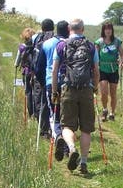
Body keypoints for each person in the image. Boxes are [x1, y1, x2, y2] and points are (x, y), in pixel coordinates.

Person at [51, 18, 99, 176]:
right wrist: (95, 87)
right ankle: (83, 162)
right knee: (86, 129)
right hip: (86, 89)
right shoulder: (91, 46)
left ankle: (71, 148)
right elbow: (96, 70)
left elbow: (55, 70)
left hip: (68, 88)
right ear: (83, 29)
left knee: (67, 126)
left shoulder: (61, 45)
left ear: (69, 29)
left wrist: (54, 91)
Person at [42, 20, 70, 160]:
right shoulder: (70, 44)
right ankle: (66, 146)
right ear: (68, 30)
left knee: (55, 113)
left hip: (51, 82)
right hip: (67, 83)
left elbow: (41, 65)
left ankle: (58, 136)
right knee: (66, 115)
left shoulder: (46, 44)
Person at [95, 21, 123, 122]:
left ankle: (112, 113)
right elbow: (95, 56)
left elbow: (122, 54)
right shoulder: (99, 42)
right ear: (103, 30)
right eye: (106, 29)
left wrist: (122, 62)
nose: (108, 31)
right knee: (103, 92)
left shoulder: (117, 41)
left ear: (112, 30)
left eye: (110, 29)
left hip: (113, 69)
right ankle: (104, 110)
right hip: (102, 69)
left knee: (113, 92)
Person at [31, 18, 55, 138]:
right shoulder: (55, 39)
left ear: (42, 27)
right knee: (50, 102)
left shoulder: (36, 38)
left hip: (39, 74)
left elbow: (33, 56)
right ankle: (53, 128)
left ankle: (43, 128)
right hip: (51, 75)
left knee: (40, 100)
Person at [14, 26, 35, 119]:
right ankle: (36, 112)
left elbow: (17, 61)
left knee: (28, 92)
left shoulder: (22, 47)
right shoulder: (36, 46)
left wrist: (16, 65)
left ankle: (30, 113)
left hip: (26, 72)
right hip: (35, 72)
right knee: (35, 92)